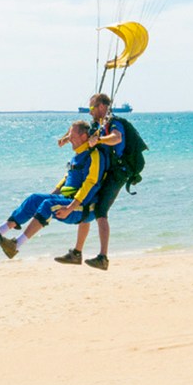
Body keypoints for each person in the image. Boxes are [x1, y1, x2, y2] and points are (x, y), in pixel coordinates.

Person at [0, 119, 105, 259]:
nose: (69, 140)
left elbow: (90, 184)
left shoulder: (93, 155)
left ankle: (16, 245)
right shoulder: (77, 156)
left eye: (72, 136)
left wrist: (70, 208)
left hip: (83, 207)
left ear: (84, 136)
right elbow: (66, 180)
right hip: (68, 200)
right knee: (35, 199)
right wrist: (50, 195)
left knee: (47, 205)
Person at [54, 93, 126, 270]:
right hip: (105, 171)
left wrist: (99, 139)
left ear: (102, 106)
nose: (90, 111)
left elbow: (117, 138)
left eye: (92, 107)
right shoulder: (97, 125)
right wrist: (66, 138)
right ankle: (77, 253)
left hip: (117, 173)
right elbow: (81, 132)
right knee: (87, 202)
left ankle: (103, 257)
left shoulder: (114, 123)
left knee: (101, 211)